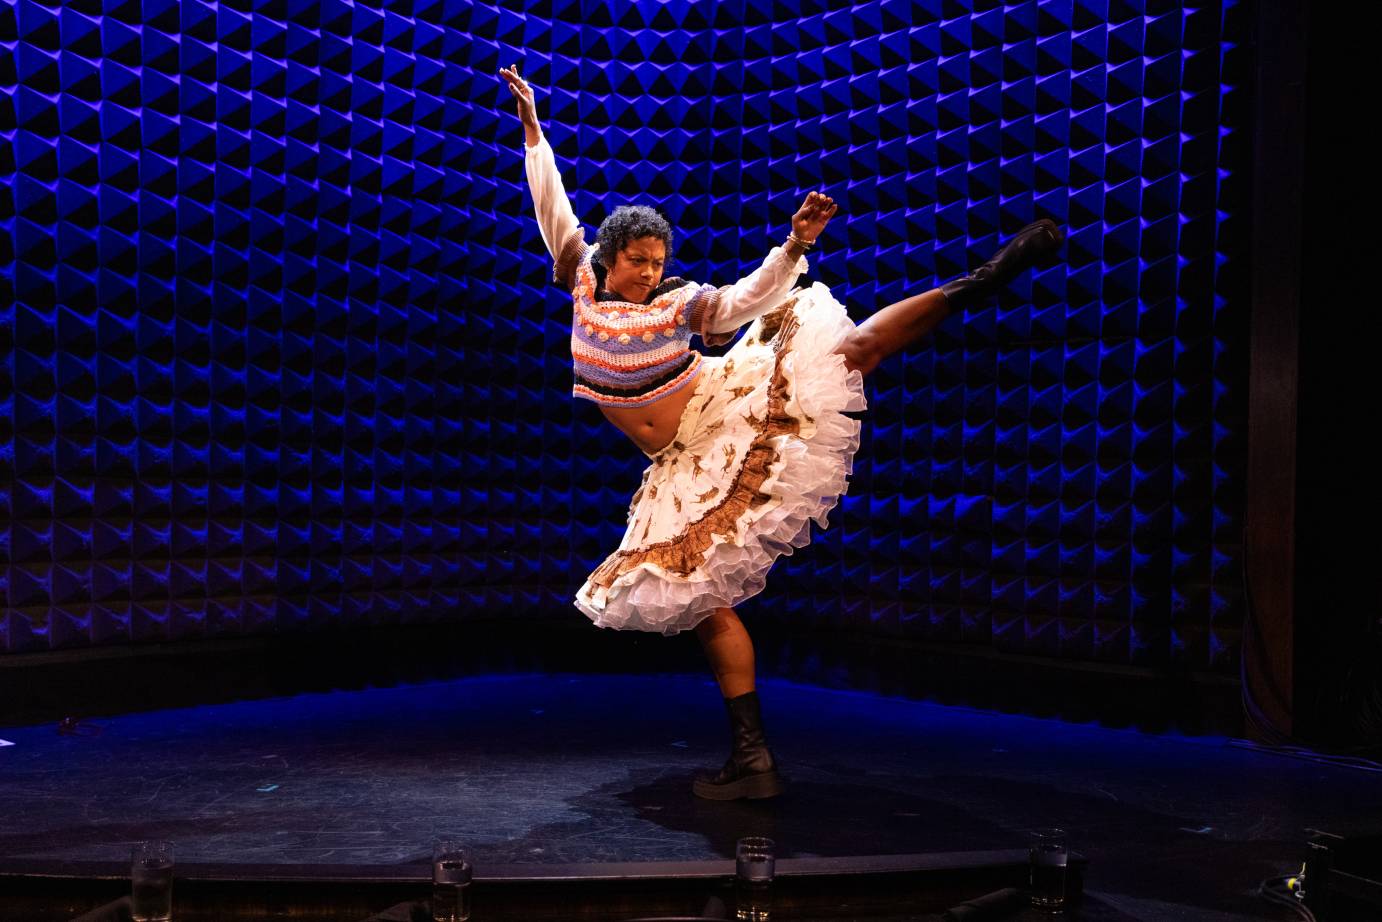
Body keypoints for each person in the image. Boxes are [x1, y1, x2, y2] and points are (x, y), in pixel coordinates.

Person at [500, 65, 1062, 800]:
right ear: (610, 258)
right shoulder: (578, 273)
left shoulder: (681, 304)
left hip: (720, 413)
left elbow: (742, 302)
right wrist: (534, 129)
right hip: (677, 459)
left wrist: (793, 250)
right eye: (639, 262)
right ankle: (753, 756)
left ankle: (983, 277)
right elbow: (553, 206)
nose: (650, 272)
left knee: (846, 350)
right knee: (706, 604)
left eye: (659, 263)